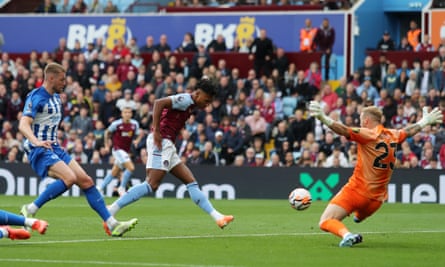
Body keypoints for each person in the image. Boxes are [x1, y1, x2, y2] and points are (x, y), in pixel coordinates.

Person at [18, 63, 137, 237]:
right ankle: (31, 208)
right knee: (70, 178)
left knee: (86, 181)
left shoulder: (57, 97)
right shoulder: (36, 97)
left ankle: (112, 224)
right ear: (50, 78)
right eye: (61, 79)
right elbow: (23, 124)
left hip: (54, 147)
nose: (64, 83)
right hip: (39, 148)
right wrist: (36, 141)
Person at [309, 100, 443, 247]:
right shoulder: (393, 135)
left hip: (357, 191)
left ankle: (347, 235)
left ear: (366, 121)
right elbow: (409, 131)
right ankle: (359, 216)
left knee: (325, 221)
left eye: (361, 121)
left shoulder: (367, 134)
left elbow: (344, 130)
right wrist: (424, 122)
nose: (360, 123)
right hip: (376, 201)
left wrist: (324, 118)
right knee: (358, 217)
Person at [107, 77, 234, 229]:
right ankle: (111, 210)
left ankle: (218, 217)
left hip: (168, 145)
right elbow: (158, 103)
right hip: (162, 142)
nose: (207, 105)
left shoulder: (191, 105)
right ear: (198, 94)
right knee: (152, 184)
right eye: (206, 101)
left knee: (191, 182)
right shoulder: (185, 99)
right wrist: (156, 132)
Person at [96, 106, 144, 196]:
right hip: (117, 149)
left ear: (131, 114)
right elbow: (107, 132)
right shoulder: (116, 124)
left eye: (129, 112)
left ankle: (99, 188)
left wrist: (137, 140)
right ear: (122, 114)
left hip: (126, 151)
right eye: (125, 112)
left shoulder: (135, 124)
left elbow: (140, 133)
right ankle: (121, 187)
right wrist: (106, 145)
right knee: (131, 168)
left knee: (115, 171)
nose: (127, 114)